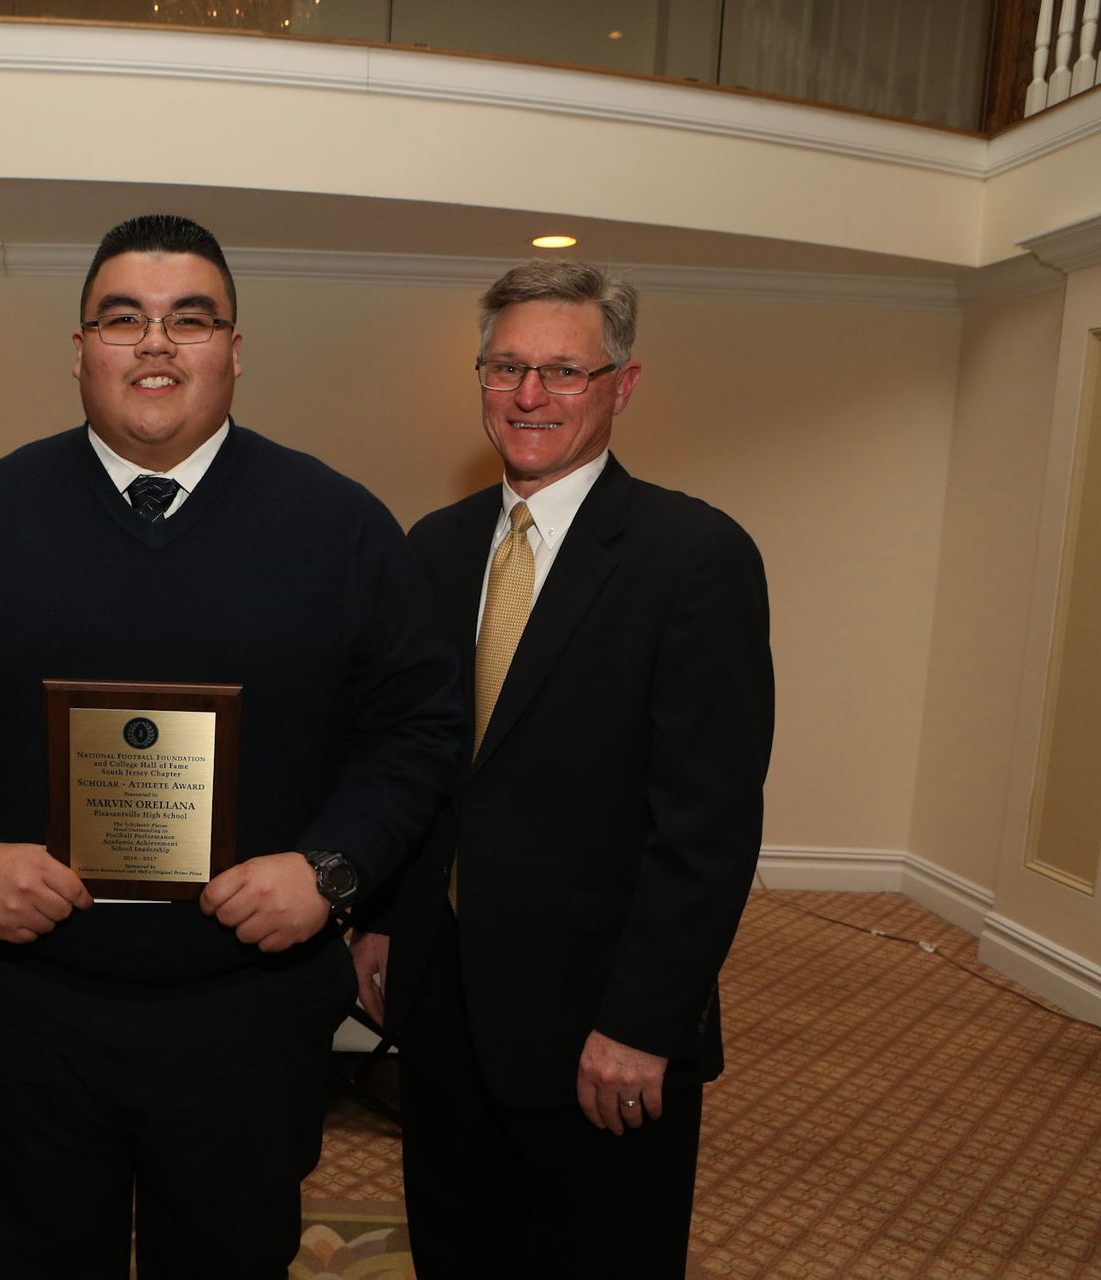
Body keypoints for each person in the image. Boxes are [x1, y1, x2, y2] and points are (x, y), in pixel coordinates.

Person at [0, 214, 463, 1278]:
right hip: (23, 1010)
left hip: (245, 1018)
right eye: (122, 317)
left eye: (191, 318)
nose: (156, 343)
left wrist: (328, 868)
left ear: (235, 348)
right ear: (80, 345)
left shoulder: (339, 525)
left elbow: (418, 725)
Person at [350, 259, 775, 1276]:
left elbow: (707, 827)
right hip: (446, 1006)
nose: (529, 396)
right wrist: (382, 919)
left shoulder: (694, 556)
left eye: (563, 372)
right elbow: (422, 760)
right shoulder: (437, 546)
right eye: (506, 367)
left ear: (621, 385)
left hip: (600, 1029)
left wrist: (640, 1021)